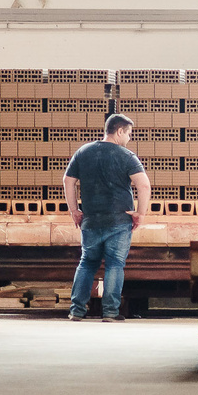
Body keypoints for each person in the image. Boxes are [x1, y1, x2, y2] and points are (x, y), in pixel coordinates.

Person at [62, 112, 150, 321]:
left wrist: (74, 210)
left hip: (90, 220)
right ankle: (110, 312)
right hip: (119, 221)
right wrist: (141, 213)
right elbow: (144, 185)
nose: (129, 138)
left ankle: (76, 311)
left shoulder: (83, 152)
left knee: (86, 263)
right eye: (128, 133)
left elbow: (68, 180)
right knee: (115, 264)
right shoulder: (126, 156)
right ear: (119, 131)